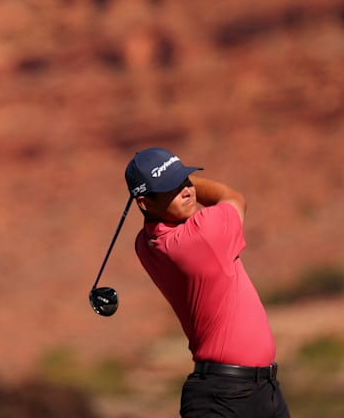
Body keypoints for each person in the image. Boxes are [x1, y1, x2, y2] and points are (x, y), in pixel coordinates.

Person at [124, 147, 290, 418]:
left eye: (186, 181)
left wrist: (170, 181)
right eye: (173, 188)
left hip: (260, 391)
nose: (188, 191)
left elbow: (156, 221)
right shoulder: (201, 236)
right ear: (144, 202)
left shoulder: (144, 244)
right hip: (225, 398)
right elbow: (232, 197)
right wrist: (185, 180)